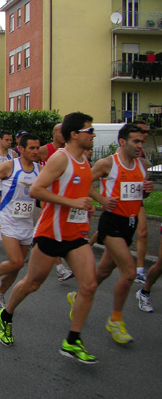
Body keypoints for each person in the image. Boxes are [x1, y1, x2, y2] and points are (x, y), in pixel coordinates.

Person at [0, 112, 99, 364]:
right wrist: (73, 201)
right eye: (90, 130)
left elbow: (80, 187)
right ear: (75, 134)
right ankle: (6, 315)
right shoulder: (59, 159)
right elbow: (37, 189)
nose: (93, 135)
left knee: (89, 285)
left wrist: (95, 201)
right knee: (32, 282)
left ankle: (72, 340)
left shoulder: (85, 160)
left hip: (76, 234)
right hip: (50, 232)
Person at [76, 123, 151, 343]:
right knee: (128, 273)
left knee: (103, 272)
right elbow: (83, 183)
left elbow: (139, 196)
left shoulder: (142, 164)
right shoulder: (107, 163)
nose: (140, 145)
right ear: (122, 141)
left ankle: (79, 296)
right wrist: (101, 200)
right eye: (135, 141)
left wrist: (146, 192)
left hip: (130, 222)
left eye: (141, 142)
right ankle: (115, 320)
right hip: (111, 223)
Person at [0, 133, 40, 310]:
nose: (35, 151)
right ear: (21, 149)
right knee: (16, 262)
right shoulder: (9, 166)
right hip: (8, 220)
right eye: (31, 148)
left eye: (38, 148)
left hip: (27, 223)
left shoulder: (39, 169)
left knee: (17, 266)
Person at [38, 122, 74, 282]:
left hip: (65, 197)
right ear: (54, 133)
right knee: (51, 229)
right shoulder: (46, 150)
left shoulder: (69, 152)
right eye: (59, 131)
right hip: (48, 195)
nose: (62, 134)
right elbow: (29, 159)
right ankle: (59, 267)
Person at [133, 121, 150, 283]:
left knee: (143, 232)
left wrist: (146, 189)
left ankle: (139, 269)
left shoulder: (142, 157)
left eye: (146, 132)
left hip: (137, 201)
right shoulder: (117, 156)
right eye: (141, 131)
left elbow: (144, 189)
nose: (144, 134)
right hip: (118, 204)